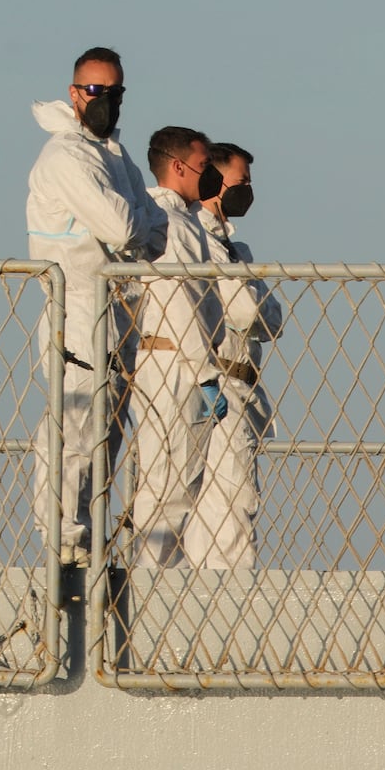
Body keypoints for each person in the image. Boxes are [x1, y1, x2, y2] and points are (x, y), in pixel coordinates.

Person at [26, 47, 168, 566]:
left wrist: (133, 222)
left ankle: (88, 544)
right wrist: (133, 222)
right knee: (75, 427)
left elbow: (157, 230)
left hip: (120, 308)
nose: (103, 101)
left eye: (113, 93)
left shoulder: (115, 156)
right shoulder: (66, 155)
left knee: (106, 434)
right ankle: (62, 540)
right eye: (94, 91)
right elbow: (128, 228)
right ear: (74, 93)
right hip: (79, 309)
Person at [128, 127, 225, 568]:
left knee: (163, 481)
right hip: (177, 361)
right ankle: (152, 582)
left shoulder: (160, 217)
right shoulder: (176, 224)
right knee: (173, 486)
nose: (210, 178)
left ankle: (153, 574)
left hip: (162, 358)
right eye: (205, 168)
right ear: (178, 166)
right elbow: (181, 301)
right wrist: (206, 372)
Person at [193, 142, 283, 570]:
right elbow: (248, 312)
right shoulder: (202, 240)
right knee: (231, 500)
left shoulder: (235, 249)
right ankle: (230, 597)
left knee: (231, 500)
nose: (248, 191)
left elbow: (273, 321)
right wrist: (253, 301)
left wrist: (252, 302)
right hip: (221, 381)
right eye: (241, 182)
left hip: (246, 382)